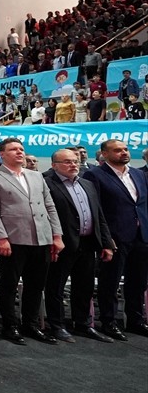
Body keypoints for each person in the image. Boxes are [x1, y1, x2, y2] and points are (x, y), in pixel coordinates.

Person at [0, 138, 64, 345]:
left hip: (41, 236)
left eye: (21, 149)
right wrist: (0, 237)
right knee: (9, 284)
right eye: (14, 149)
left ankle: (31, 324)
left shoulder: (36, 176)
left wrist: (56, 235)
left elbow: (50, 206)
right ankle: (10, 325)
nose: (19, 152)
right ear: (2, 154)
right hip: (13, 238)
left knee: (36, 285)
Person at [44, 149, 115, 343]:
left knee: (84, 286)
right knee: (56, 287)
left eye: (75, 161)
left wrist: (107, 243)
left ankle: (83, 324)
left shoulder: (87, 184)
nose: (73, 165)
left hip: (88, 242)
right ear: (54, 165)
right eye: (67, 162)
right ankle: (57, 325)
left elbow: (98, 215)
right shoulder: (47, 184)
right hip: (61, 243)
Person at [82, 139, 148, 340]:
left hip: (141, 235)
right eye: (118, 150)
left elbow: (141, 205)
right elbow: (96, 209)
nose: (123, 153)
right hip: (115, 237)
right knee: (109, 282)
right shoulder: (95, 175)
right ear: (104, 154)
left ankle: (136, 320)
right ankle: (109, 321)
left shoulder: (138, 174)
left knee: (138, 282)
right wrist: (105, 239)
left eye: (125, 149)